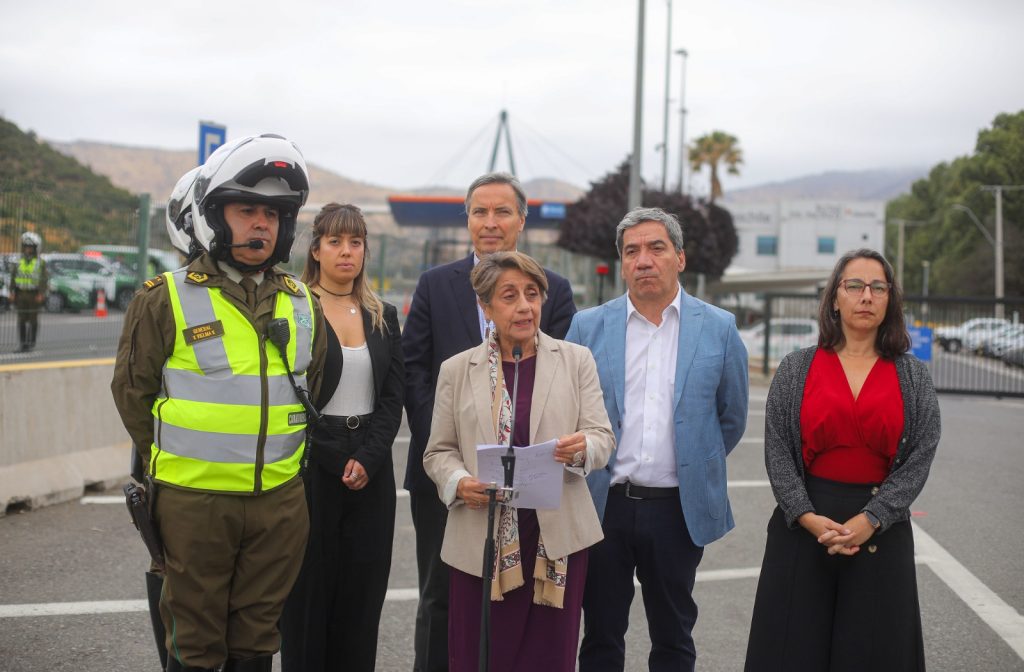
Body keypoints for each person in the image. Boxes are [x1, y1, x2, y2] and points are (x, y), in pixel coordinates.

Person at [111, 133, 326, 672]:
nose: (261, 223)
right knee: (196, 641)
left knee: (257, 640)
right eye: (247, 209)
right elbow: (133, 394)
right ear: (214, 217)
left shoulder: (302, 301)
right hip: (195, 502)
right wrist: (184, 458)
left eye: (274, 215)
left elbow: (312, 382)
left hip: (278, 500)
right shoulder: (164, 296)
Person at [402, 171, 577, 671]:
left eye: (502, 211)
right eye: (479, 211)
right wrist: (448, 450)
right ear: (468, 220)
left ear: (522, 220)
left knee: (518, 598)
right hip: (450, 477)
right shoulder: (435, 285)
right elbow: (415, 370)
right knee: (440, 597)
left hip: (529, 483)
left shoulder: (553, 291)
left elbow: (556, 379)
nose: (490, 222)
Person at [565, 207, 749, 672]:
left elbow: (731, 417)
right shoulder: (588, 327)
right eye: (632, 252)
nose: (643, 260)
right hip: (604, 505)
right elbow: (566, 409)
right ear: (623, 263)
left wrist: (688, 461)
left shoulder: (719, 328)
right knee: (601, 636)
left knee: (673, 636)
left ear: (680, 258)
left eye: (656, 248)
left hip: (676, 510)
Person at [744, 249, 940, 671]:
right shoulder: (796, 367)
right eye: (854, 285)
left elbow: (921, 453)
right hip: (803, 529)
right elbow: (777, 449)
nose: (866, 296)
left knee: (871, 653)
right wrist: (805, 515)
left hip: (880, 534)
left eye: (878, 287)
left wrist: (872, 518)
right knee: (792, 651)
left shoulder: (913, 374)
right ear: (835, 297)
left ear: (889, 299)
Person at [422, 251, 614, 672]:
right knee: (480, 655)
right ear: (486, 306)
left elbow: (603, 438)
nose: (524, 306)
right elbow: (438, 451)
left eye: (532, 293)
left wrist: (581, 448)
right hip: (482, 537)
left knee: (548, 657)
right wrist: (458, 482)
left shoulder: (576, 360)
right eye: (509, 296)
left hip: (555, 537)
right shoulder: (457, 369)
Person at [280, 203, 404, 672]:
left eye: (355, 242)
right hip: (312, 462)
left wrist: (369, 458)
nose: (346, 252)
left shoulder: (382, 314)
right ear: (316, 249)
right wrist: (334, 458)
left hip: (370, 465)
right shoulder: (296, 308)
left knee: (362, 595)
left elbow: (394, 398)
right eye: (335, 242)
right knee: (308, 597)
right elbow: (288, 393)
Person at [12, 231, 48, 352]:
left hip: (34, 294)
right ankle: (23, 344)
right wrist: (12, 292)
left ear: (35, 248)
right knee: (21, 320)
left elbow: (44, 279)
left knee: (33, 320)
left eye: (31, 247)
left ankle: (31, 342)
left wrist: (41, 293)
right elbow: (13, 277)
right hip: (21, 293)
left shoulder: (40, 262)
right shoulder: (18, 261)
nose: (28, 249)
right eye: (26, 247)